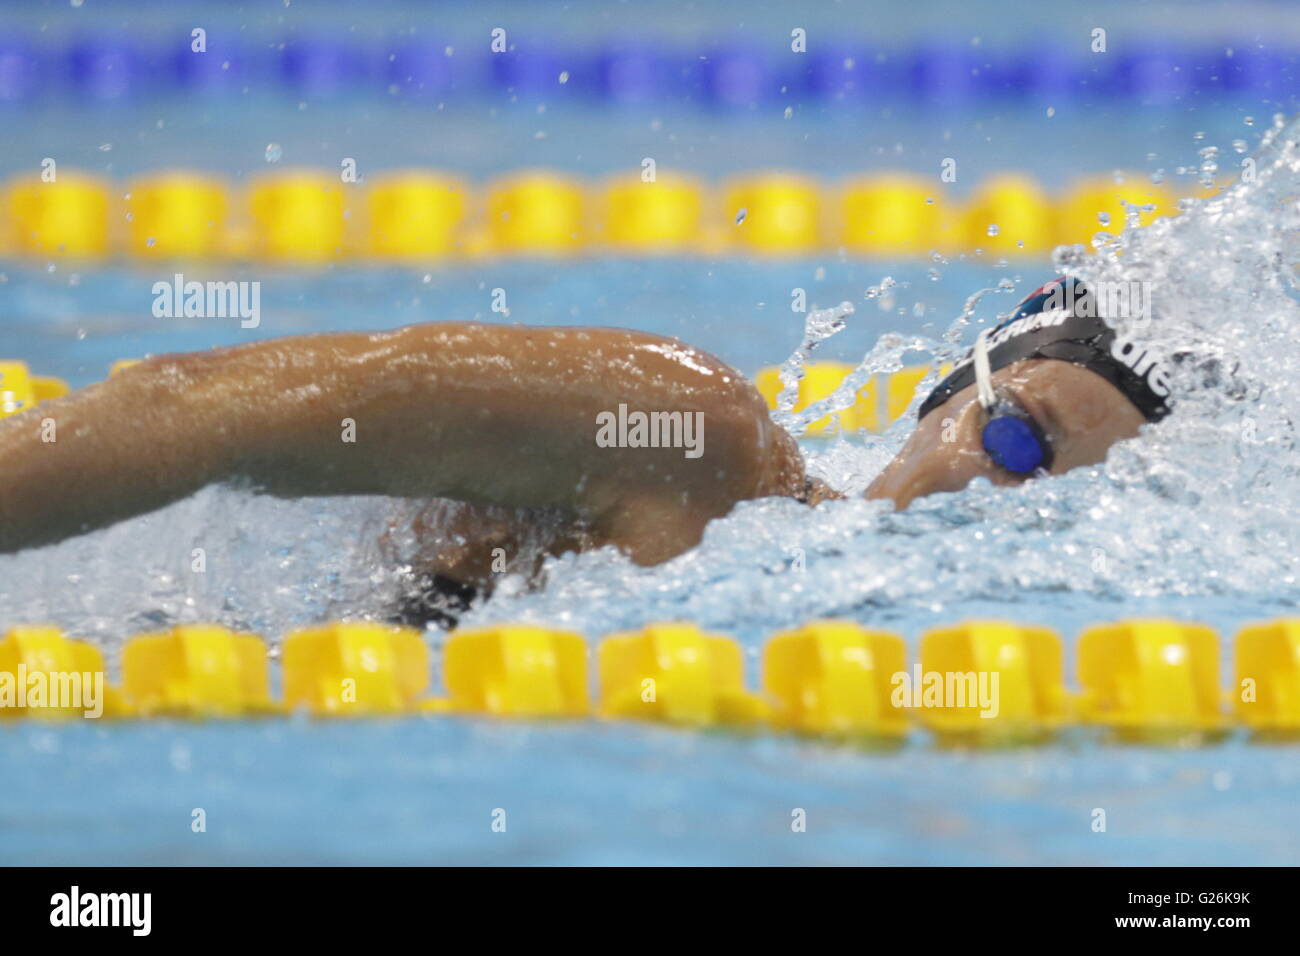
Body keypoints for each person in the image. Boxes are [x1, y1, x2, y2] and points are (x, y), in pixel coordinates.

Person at [0, 277, 1170, 625]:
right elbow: (208, 404)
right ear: (937, 403)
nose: (1007, 501)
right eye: (1017, 436)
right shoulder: (696, 448)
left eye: (1075, 508)